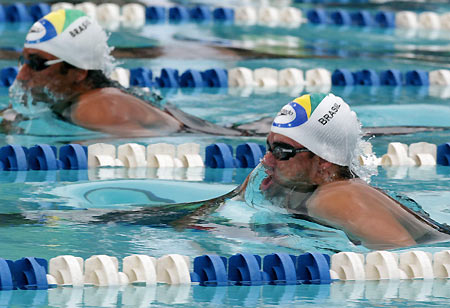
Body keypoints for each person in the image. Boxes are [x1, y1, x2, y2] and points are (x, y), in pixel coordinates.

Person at [236, 92, 450, 250]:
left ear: (323, 162)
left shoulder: (336, 198)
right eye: (269, 147)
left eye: (282, 151)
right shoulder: (289, 184)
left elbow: (405, 261)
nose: (266, 159)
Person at [11, 9, 243, 137]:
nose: (22, 74)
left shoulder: (94, 107)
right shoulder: (86, 97)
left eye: (37, 63)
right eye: (24, 60)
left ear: (79, 72)